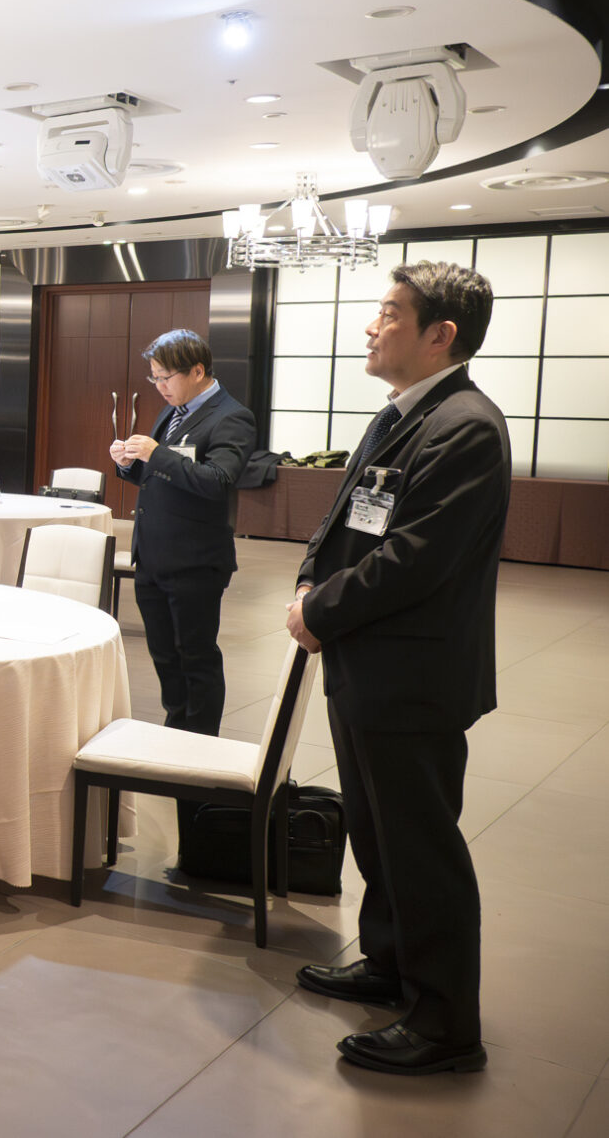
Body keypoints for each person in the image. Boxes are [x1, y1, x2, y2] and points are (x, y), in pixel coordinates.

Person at [287, 262, 508, 1077]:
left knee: (419, 846)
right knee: (376, 833)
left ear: (440, 334)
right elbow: (346, 519)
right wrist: (309, 582)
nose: (371, 327)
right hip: (367, 662)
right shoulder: (403, 414)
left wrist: (320, 612)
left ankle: (447, 1024)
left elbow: (416, 559)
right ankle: (388, 963)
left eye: (388, 314)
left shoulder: (465, 427)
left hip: (413, 677)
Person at [109, 329, 256, 851]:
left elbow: (217, 482)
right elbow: (161, 479)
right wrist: (129, 464)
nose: (159, 387)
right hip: (153, 557)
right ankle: (175, 735)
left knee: (196, 656)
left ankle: (200, 749)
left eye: (164, 377)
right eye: (153, 378)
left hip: (195, 562)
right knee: (165, 656)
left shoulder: (231, 416)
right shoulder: (172, 414)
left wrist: (157, 454)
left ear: (197, 370)